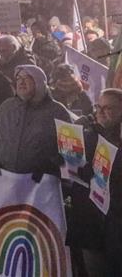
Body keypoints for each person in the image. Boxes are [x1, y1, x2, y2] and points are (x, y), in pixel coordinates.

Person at [68, 88, 122, 277]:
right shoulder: (89, 133)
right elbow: (74, 170)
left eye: (108, 108)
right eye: (98, 107)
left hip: (115, 225)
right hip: (90, 223)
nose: (100, 112)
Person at [0, 65, 71, 178]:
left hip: (39, 183)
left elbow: (71, 151)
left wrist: (52, 166)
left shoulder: (59, 112)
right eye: (18, 78)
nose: (21, 82)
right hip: (3, 178)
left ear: (39, 82)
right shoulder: (7, 106)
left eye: (27, 77)